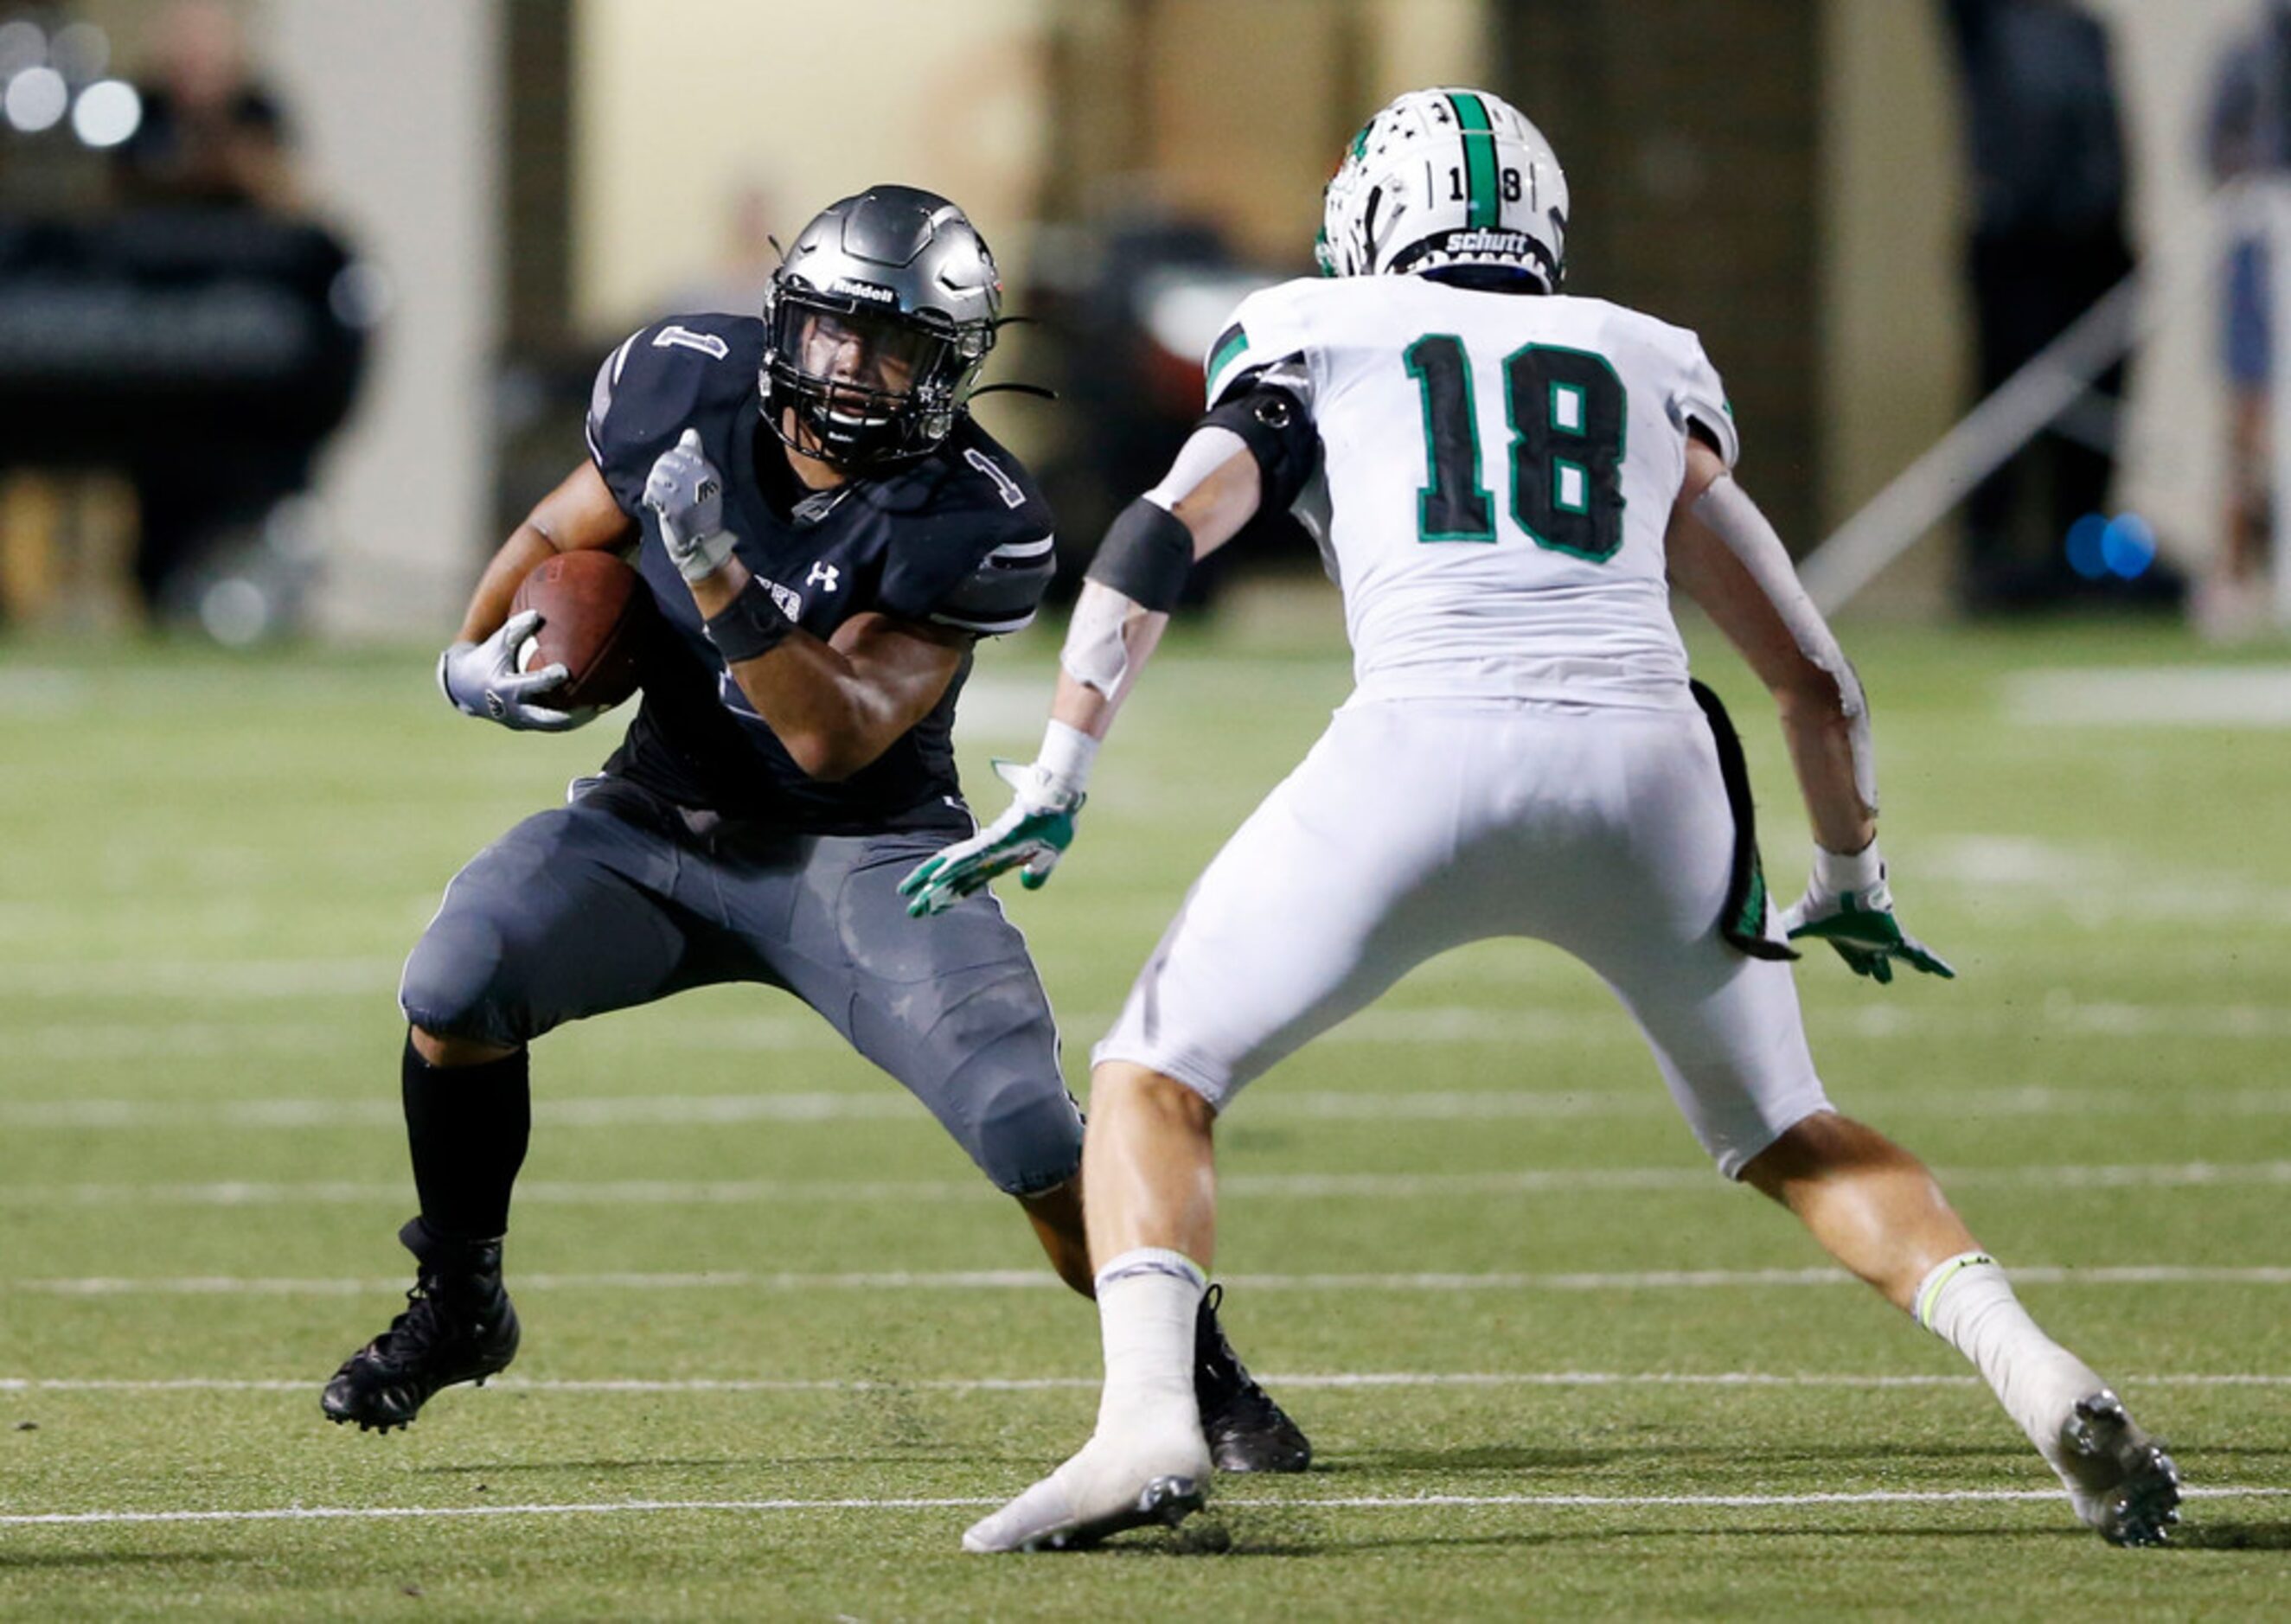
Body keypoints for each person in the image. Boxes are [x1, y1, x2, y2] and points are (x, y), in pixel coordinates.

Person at [903, 92, 2181, 1552]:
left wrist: (1060, 771)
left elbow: (1158, 529)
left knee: (1152, 1071)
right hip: (1650, 769)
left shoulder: (1316, 327)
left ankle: (1144, 1424)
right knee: (1790, 1127)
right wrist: (1848, 872)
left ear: (1378, 218)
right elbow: (1811, 674)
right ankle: (2039, 1373)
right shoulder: (1641, 358)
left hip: (1421, 749)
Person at [318, 184, 1309, 1478]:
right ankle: (460, 1301)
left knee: (1023, 1122)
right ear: (787, 319)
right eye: (835, 330)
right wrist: (471, 659)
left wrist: (718, 572)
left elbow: (833, 734)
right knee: (455, 980)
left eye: (892, 344)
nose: (852, 368)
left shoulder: (976, 514)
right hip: (656, 818)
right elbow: (562, 530)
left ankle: (1189, 1362)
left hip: (865, 852)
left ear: (947, 369)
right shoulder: (682, 383)